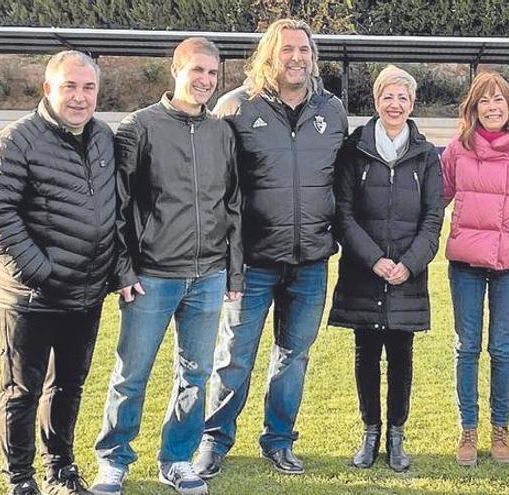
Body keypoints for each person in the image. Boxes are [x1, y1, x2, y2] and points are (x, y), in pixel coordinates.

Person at [194, 18, 348, 477]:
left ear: (312, 56)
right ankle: (214, 440)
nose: (296, 57)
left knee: (293, 357)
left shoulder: (333, 110)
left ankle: (278, 440)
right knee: (234, 355)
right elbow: (215, 188)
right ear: (268, 56)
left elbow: (341, 181)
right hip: (252, 262)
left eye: (303, 49)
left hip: (311, 262)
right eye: (286, 50)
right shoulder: (236, 107)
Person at [90, 37, 242, 495]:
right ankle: (113, 459)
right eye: (197, 70)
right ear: (175, 70)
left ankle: (176, 458)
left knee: (194, 376)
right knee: (131, 373)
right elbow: (117, 206)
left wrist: (233, 272)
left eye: (213, 73)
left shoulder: (222, 133)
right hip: (151, 276)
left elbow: (232, 205)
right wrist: (123, 269)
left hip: (210, 276)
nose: (205, 81)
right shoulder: (140, 127)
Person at [0, 50, 115, 495]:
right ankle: (20, 479)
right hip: (30, 298)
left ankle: (61, 471)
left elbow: (116, 210)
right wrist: (43, 272)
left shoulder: (103, 139)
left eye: (87, 87)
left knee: (69, 387)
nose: (79, 97)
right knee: (21, 391)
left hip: (85, 295)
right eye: (69, 86)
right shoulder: (16, 141)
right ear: (48, 90)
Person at [328, 65, 444, 472]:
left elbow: (433, 218)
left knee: (400, 355)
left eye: (403, 98)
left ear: (412, 104)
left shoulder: (426, 155)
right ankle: (370, 432)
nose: (395, 105)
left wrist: (408, 265)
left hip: (406, 276)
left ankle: (396, 435)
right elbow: (342, 213)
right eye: (388, 97)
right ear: (376, 101)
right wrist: (373, 259)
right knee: (365, 355)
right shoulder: (353, 149)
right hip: (364, 271)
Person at [443, 72, 509, 467]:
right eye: (484, 100)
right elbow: (435, 197)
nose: (492, 107)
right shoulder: (457, 149)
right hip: (466, 264)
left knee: (502, 349)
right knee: (467, 347)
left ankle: (500, 428)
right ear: (473, 108)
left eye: (499, 100)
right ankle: (468, 428)